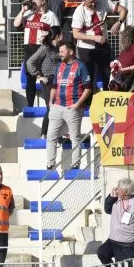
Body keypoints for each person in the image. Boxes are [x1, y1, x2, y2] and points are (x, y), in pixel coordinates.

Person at [45, 40, 91, 171]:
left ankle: (76, 164)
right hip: (57, 106)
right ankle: (50, 164)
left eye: (62, 51)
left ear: (70, 52)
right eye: (59, 51)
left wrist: (77, 105)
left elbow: (88, 88)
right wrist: (50, 101)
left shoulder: (81, 66)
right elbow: (54, 85)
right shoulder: (59, 66)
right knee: (51, 136)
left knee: (75, 137)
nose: (60, 54)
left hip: (73, 108)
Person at [71, 0, 128, 96]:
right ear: (83, 1)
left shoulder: (103, 2)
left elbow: (124, 10)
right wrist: (94, 38)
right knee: (88, 77)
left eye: (94, 0)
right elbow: (76, 34)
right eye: (90, 2)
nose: (94, 4)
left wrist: (119, 22)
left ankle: (107, 100)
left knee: (108, 74)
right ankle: (88, 104)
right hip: (86, 48)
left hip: (102, 45)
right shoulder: (79, 12)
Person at [15, 0, 60, 108]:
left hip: (43, 48)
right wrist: (22, 10)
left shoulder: (51, 15)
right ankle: (30, 106)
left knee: (46, 76)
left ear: (43, 1)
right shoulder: (28, 14)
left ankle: (50, 105)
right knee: (30, 78)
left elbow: (57, 34)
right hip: (29, 47)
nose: (34, 1)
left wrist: (47, 36)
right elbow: (16, 24)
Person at [25, 26, 63, 136]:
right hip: (47, 80)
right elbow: (30, 62)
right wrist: (38, 76)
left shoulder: (61, 47)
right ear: (57, 36)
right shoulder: (45, 48)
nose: (64, 36)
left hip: (59, 80)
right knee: (51, 107)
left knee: (61, 107)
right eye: (62, 34)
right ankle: (44, 133)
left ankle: (58, 134)